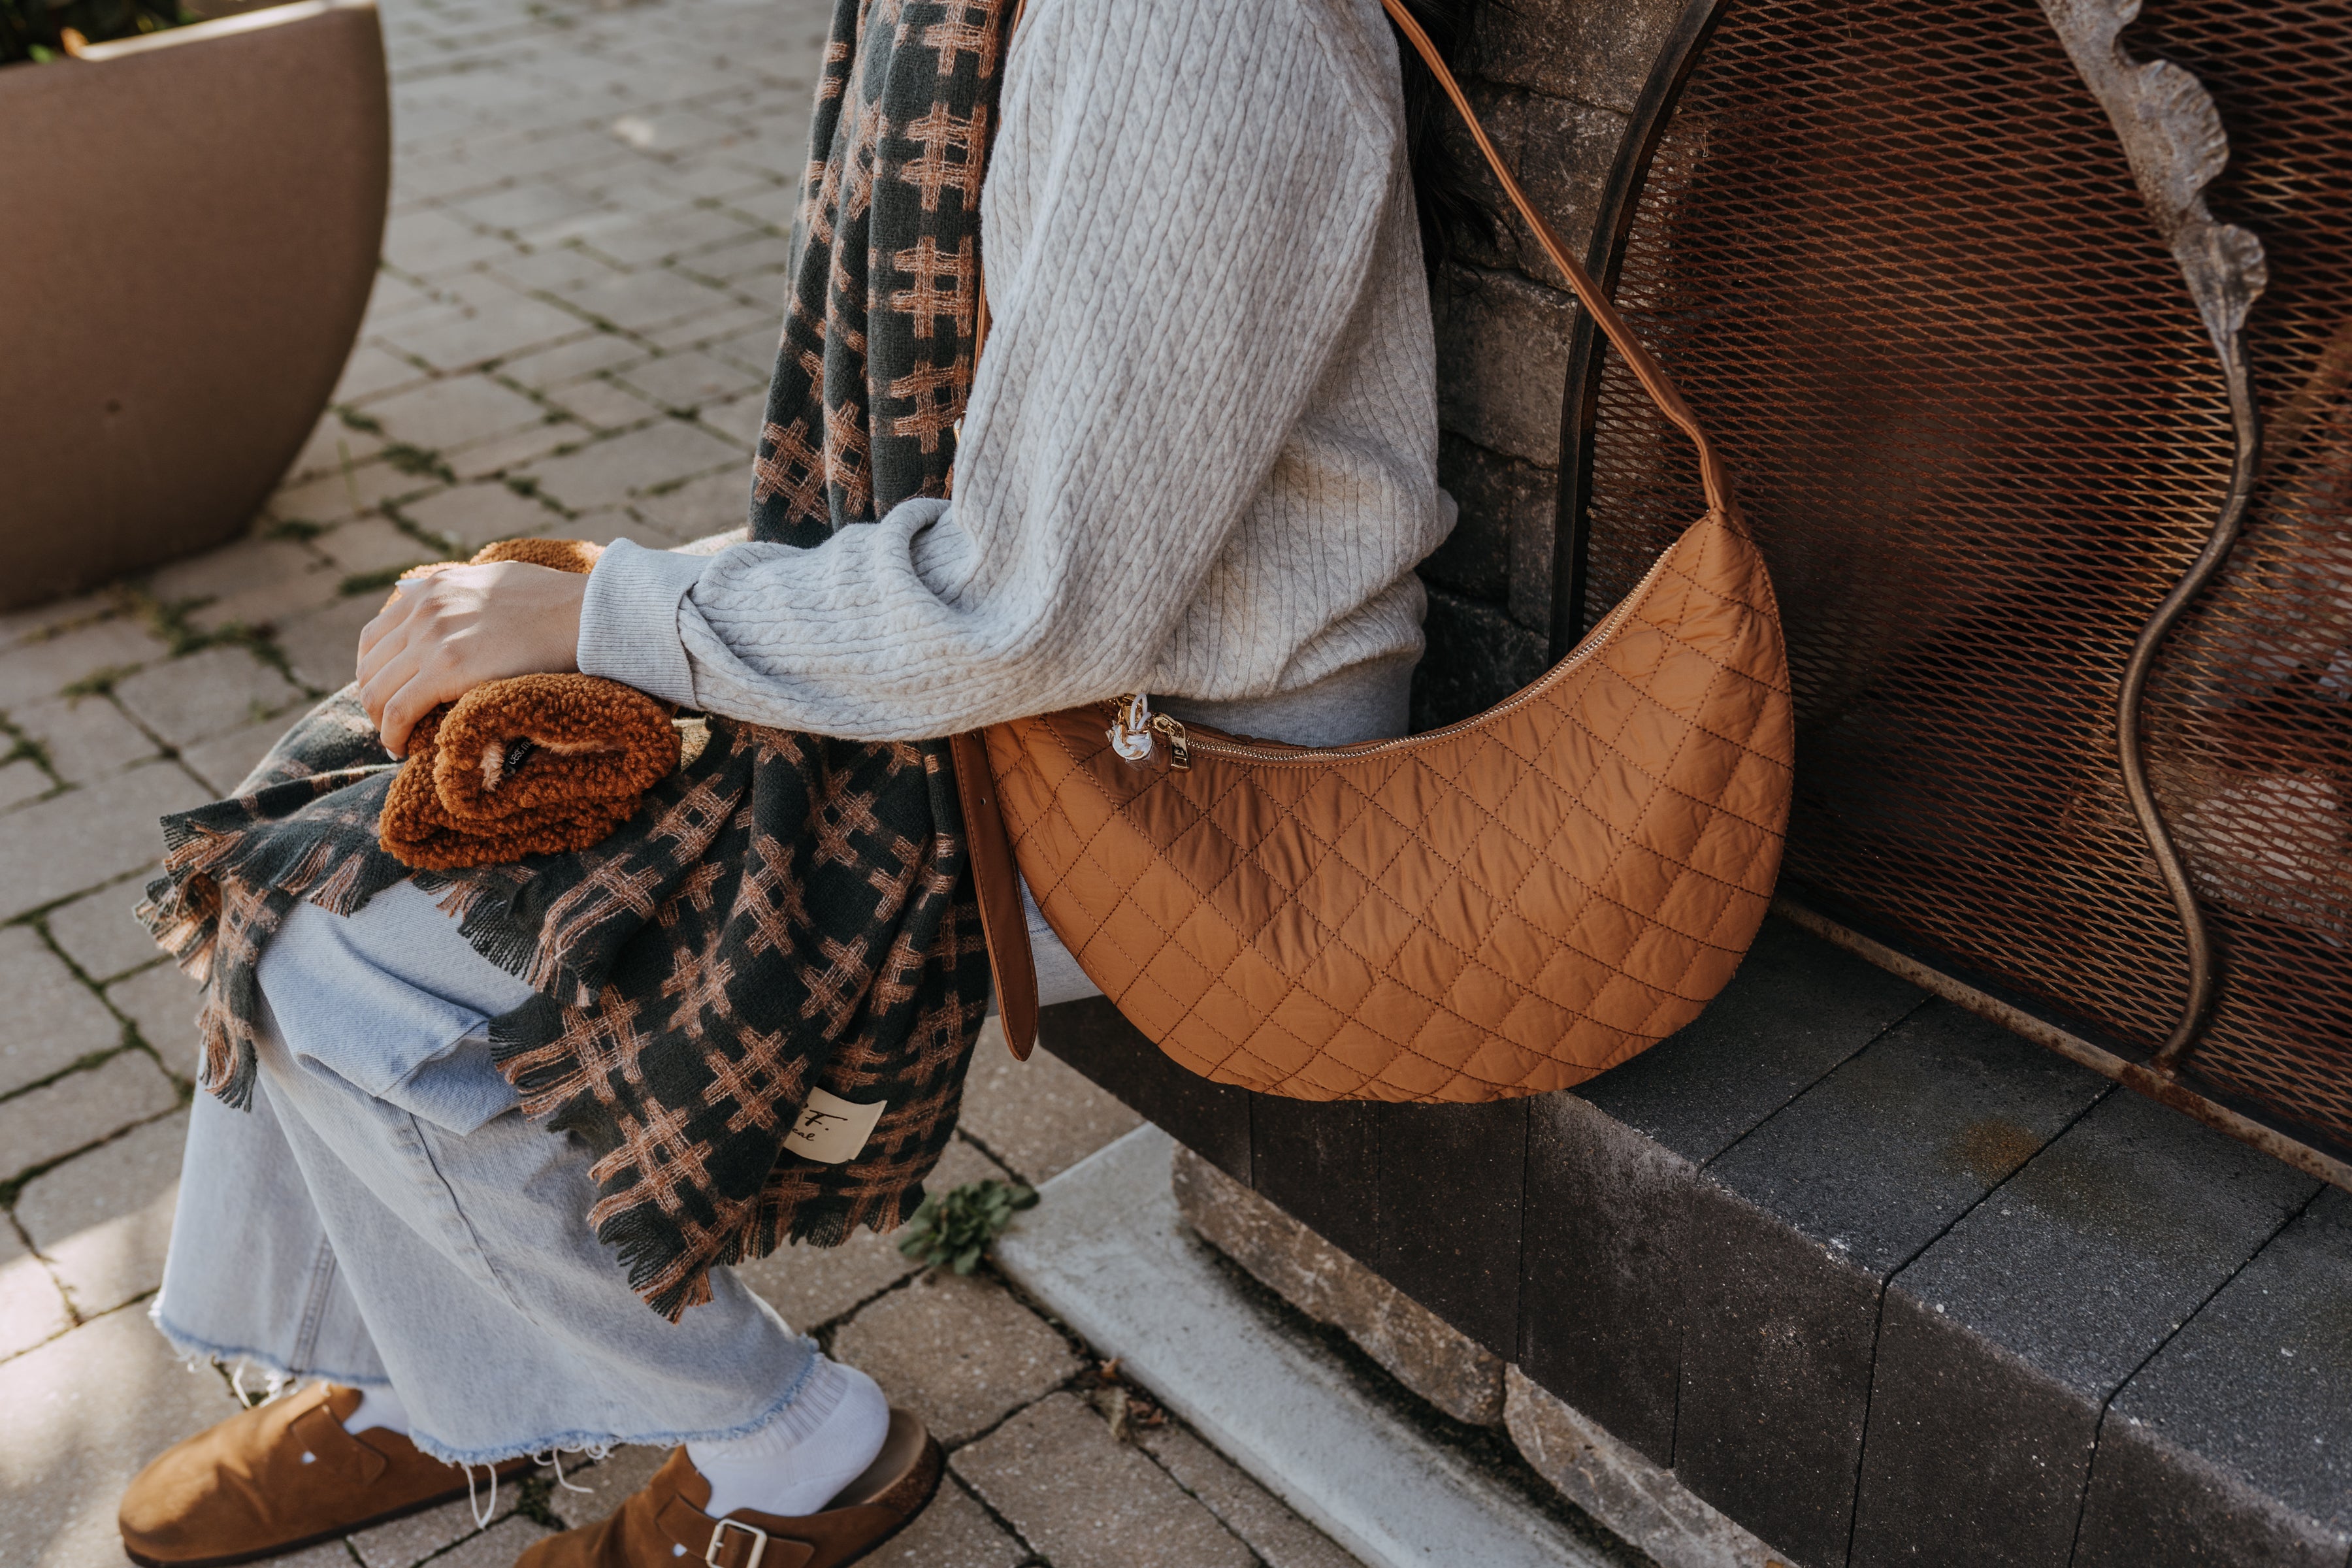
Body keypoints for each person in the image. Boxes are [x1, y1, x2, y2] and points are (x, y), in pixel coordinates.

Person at [117, 0, 1478, 1560]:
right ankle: (419, 1362)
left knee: (343, 946)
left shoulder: (1192, 28)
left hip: (1174, 773)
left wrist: (609, 610)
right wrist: (604, 608)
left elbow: (1037, 601)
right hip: (1018, 695)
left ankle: (789, 1446)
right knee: (320, 811)